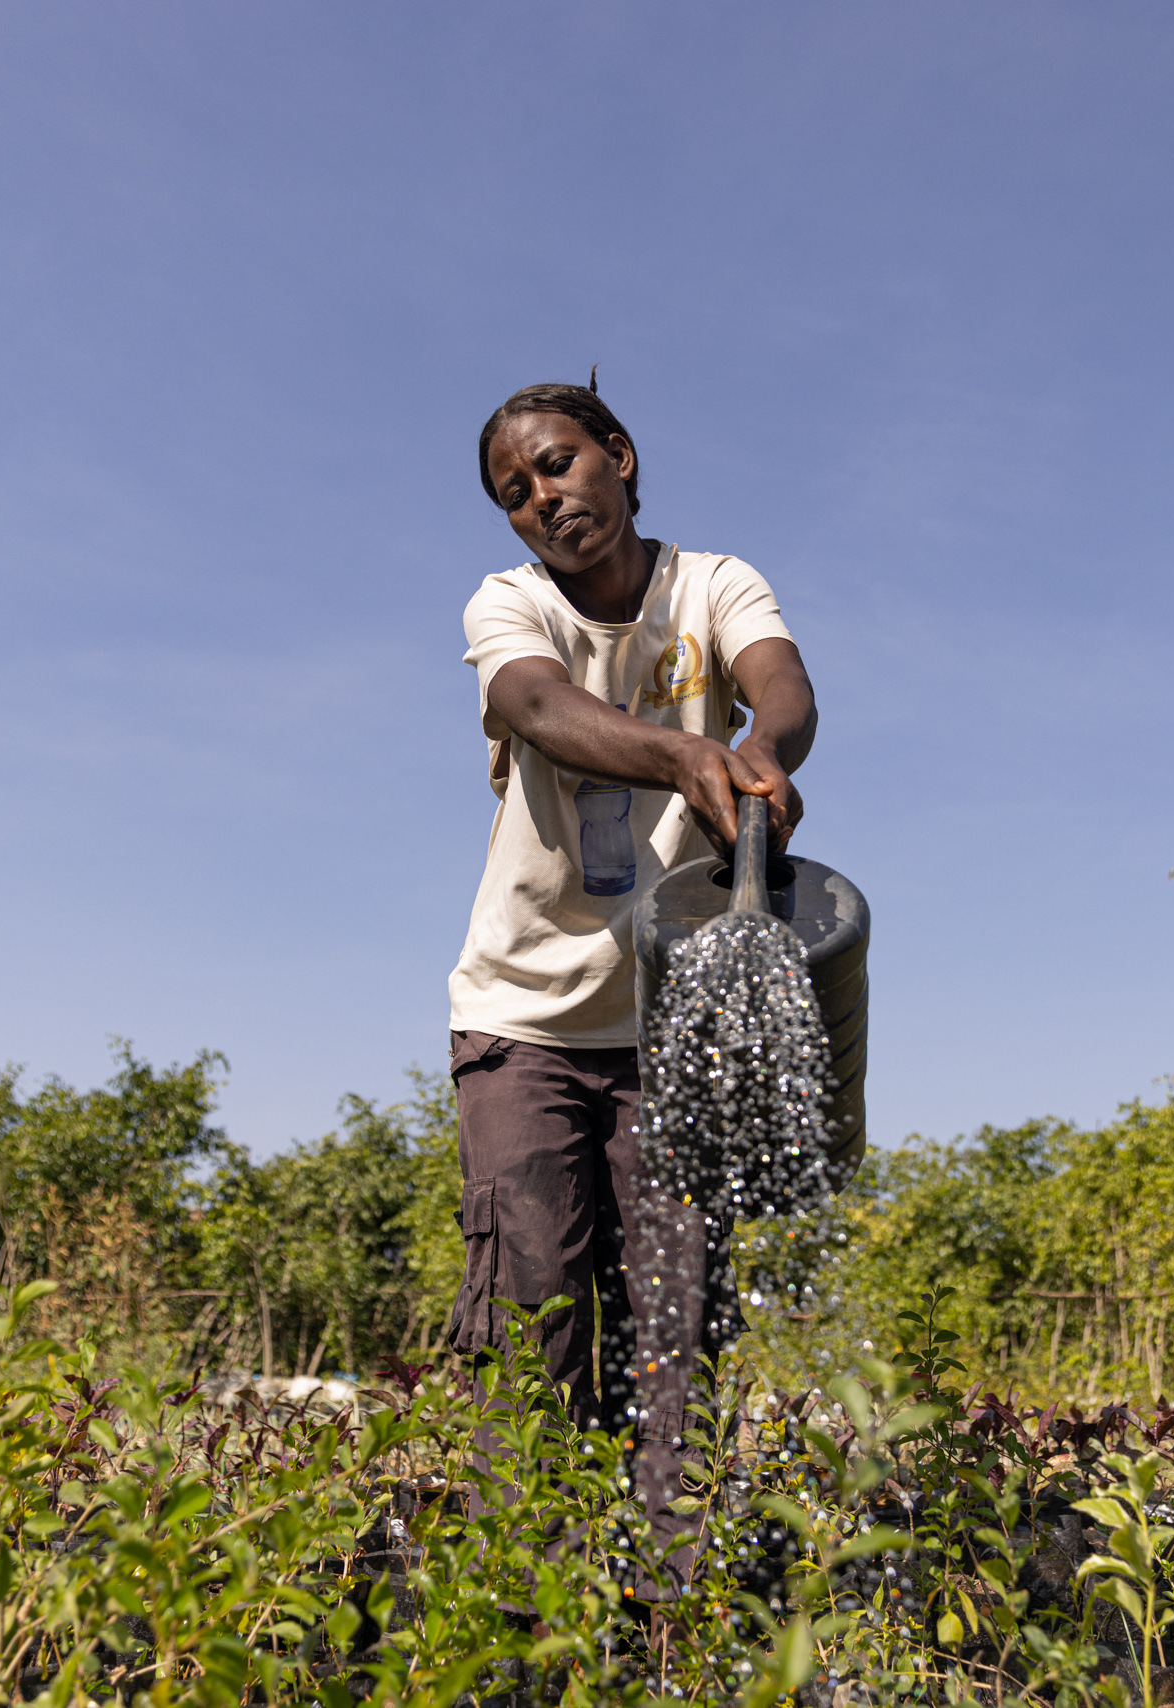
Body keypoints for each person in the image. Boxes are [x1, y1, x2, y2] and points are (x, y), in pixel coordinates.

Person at [445, 378, 818, 1518]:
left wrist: (760, 754)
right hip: (526, 1020)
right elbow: (539, 707)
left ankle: (670, 1594)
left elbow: (783, 688)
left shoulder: (713, 585)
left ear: (619, 454)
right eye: (516, 492)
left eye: (558, 463)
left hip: (671, 1024)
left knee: (674, 1324)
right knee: (532, 1315)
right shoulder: (510, 605)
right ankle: (527, 1596)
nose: (543, 498)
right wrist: (683, 757)